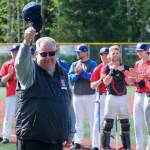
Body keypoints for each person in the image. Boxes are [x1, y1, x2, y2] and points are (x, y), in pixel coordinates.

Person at [14, 27, 76, 150]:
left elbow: (68, 104)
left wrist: (71, 131)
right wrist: (26, 42)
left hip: (56, 140)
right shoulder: (29, 73)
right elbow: (20, 64)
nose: (48, 57)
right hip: (32, 140)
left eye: (51, 53)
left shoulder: (63, 74)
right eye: (43, 54)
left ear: (56, 53)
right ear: (36, 55)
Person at [101, 45, 131, 149]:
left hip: (123, 97)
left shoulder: (125, 67)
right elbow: (105, 82)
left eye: (117, 53)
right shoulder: (106, 67)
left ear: (120, 54)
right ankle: (105, 147)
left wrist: (124, 71)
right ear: (109, 55)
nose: (115, 55)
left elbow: (130, 82)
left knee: (125, 123)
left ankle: (126, 147)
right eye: (113, 53)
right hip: (111, 97)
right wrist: (112, 71)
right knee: (108, 123)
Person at [68, 44, 97, 149]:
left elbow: (93, 77)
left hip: (90, 96)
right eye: (77, 52)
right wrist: (77, 75)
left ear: (85, 52)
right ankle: (77, 142)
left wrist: (82, 73)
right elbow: (70, 79)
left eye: (79, 52)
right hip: (77, 96)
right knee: (77, 120)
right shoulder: (74, 64)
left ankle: (95, 143)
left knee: (92, 120)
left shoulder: (92, 63)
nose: (77, 53)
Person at [131, 43, 150, 150]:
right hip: (138, 95)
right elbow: (136, 81)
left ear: (147, 51)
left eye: (140, 50)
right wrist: (135, 79)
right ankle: (139, 147)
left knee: (149, 124)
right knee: (137, 124)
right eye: (137, 51)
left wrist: (145, 77)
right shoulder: (137, 63)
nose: (138, 52)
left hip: (148, 96)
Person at [90, 47, 109, 150]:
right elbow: (92, 85)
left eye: (105, 53)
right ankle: (95, 145)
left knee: (110, 122)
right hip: (101, 96)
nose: (103, 56)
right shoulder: (98, 68)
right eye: (101, 54)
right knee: (97, 121)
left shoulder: (114, 67)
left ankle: (107, 144)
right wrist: (100, 80)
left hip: (112, 97)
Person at [0, 44, 20, 144]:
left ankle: (20, 136)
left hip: (22, 94)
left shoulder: (24, 63)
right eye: (12, 51)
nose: (13, 52)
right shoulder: (7, 64)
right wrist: (10, 74)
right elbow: (3, 80)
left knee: (21, 116)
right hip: (11, 93)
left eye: (16, 50)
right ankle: (6, 137)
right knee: (8, 116)